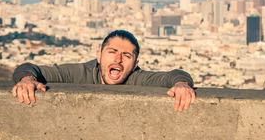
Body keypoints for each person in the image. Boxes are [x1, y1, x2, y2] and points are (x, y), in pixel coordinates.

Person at [12, 30, 196, 111]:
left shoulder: (136, 78)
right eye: (112, 52)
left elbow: (174, 75)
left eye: (126, 55)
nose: (118, 59)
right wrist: (27, 79)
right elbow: (29, 68)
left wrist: (181, 84)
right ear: (99, 56)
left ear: (135, 64)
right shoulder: (81, 72)